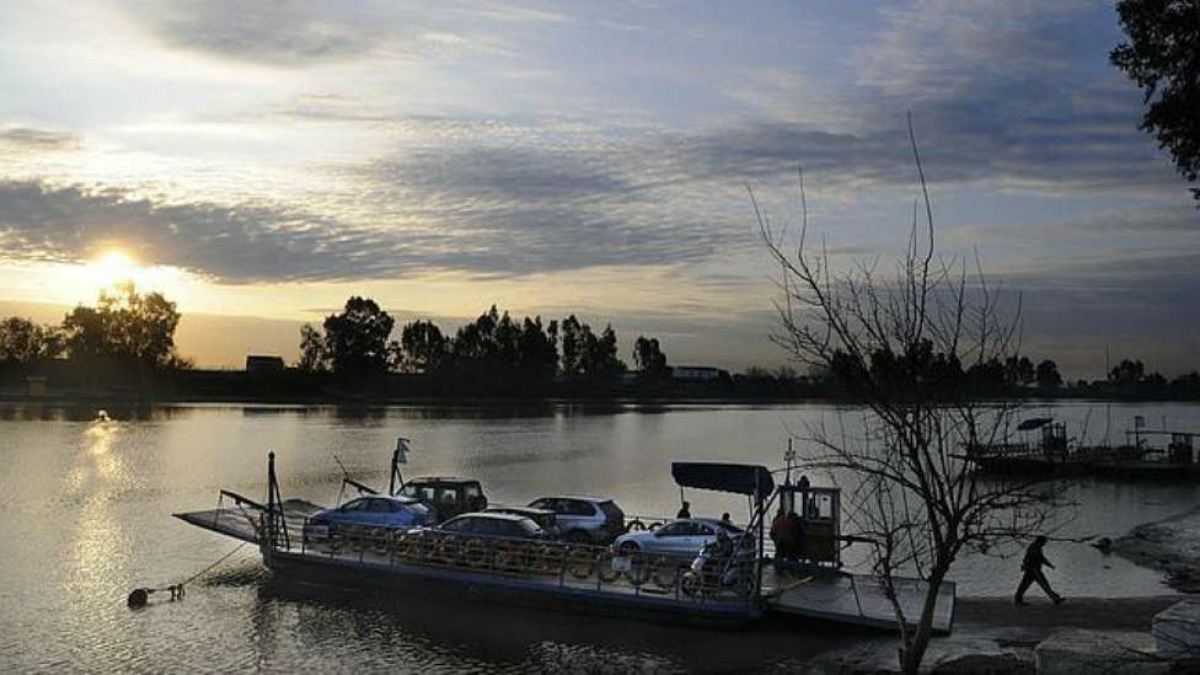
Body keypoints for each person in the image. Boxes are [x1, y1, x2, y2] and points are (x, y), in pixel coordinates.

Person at [1015, 535, 1064, 606]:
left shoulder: (1035, 547)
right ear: (1040, 541)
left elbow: (1036, 558)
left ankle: (1018, 600)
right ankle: (1056, 599)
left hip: (1031, 569)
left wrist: (1049, 565)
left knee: (1024, 585)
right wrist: (1049, 565)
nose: (1045, 544)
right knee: (1044, 584)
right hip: (1034, 570)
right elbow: (1039, 558)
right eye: (1044, 542)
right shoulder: (1035, 548)